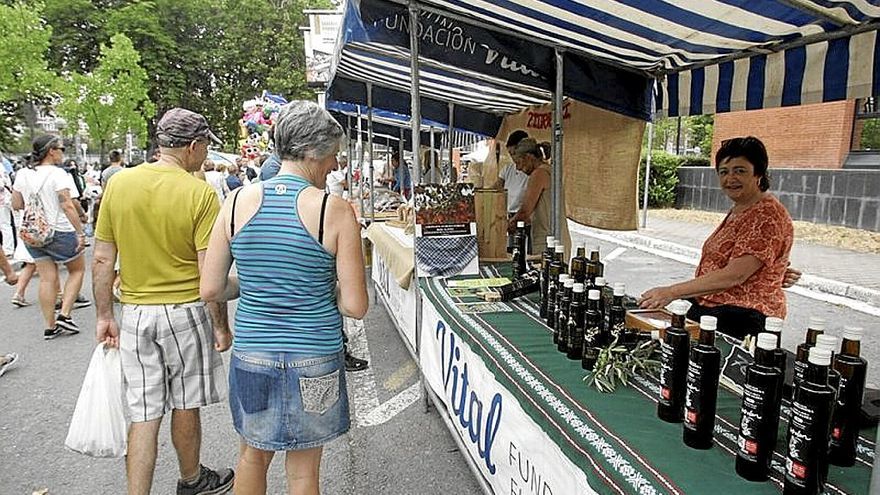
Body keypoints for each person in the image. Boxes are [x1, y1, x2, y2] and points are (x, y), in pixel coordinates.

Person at [200, 100, 368, 495]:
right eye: (332, 155)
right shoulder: (334, 211)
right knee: (304, 473)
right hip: (315, 357)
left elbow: (211, 288)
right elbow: (355, 306)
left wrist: (255, 284)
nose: (334, 165)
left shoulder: (236, 202)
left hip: (253, 354)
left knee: (251, 458)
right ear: (313, 152)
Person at [93, 108, 234, 495]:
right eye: (205, 146)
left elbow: (104, 257)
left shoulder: (120, 185)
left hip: (135, 314)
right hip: (184, 312)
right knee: (185, 403)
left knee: (143, 412)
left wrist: (105, 314)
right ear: (192, 146)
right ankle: (191, 479)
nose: (205, 154)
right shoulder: (199, 193)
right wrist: (221, 325)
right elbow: (210, 275)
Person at [639, 136, 798, 339]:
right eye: (724, 172)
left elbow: (735, 275)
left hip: (740, 319)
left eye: (740, 171)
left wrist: (671, 292)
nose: (730, 178)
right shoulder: (742, 208)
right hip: (713, 311)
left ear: (758, 173)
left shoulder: (765, 215)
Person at [11, 135, 87, 339]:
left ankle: (50, 325)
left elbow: (16, 204)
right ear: (51, 151)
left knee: (46, 277)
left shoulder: (22, 174)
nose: (63, 152)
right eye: (61, 148)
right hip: (59, 230)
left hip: (32, 233)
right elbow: (67, 204)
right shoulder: (58, 174)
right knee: (77, 270)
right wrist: (80, 232)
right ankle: (65, 314)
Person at [507, 138, 565, 255]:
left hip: (548, 241)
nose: (518, 168)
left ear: (529, 157)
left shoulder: (539, 174)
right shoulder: (549, 170)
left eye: (519, 162)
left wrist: (506, 226)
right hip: (556, 238)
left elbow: (524, 212)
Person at [493, 130, 530, 251]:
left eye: (514, 153)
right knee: (510, 251)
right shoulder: (508, 169)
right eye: (510, 154)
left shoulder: (531, 172)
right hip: (509, 217)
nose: (513, 158)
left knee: (522, 251)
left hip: (523, 218)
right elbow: (495, 189)